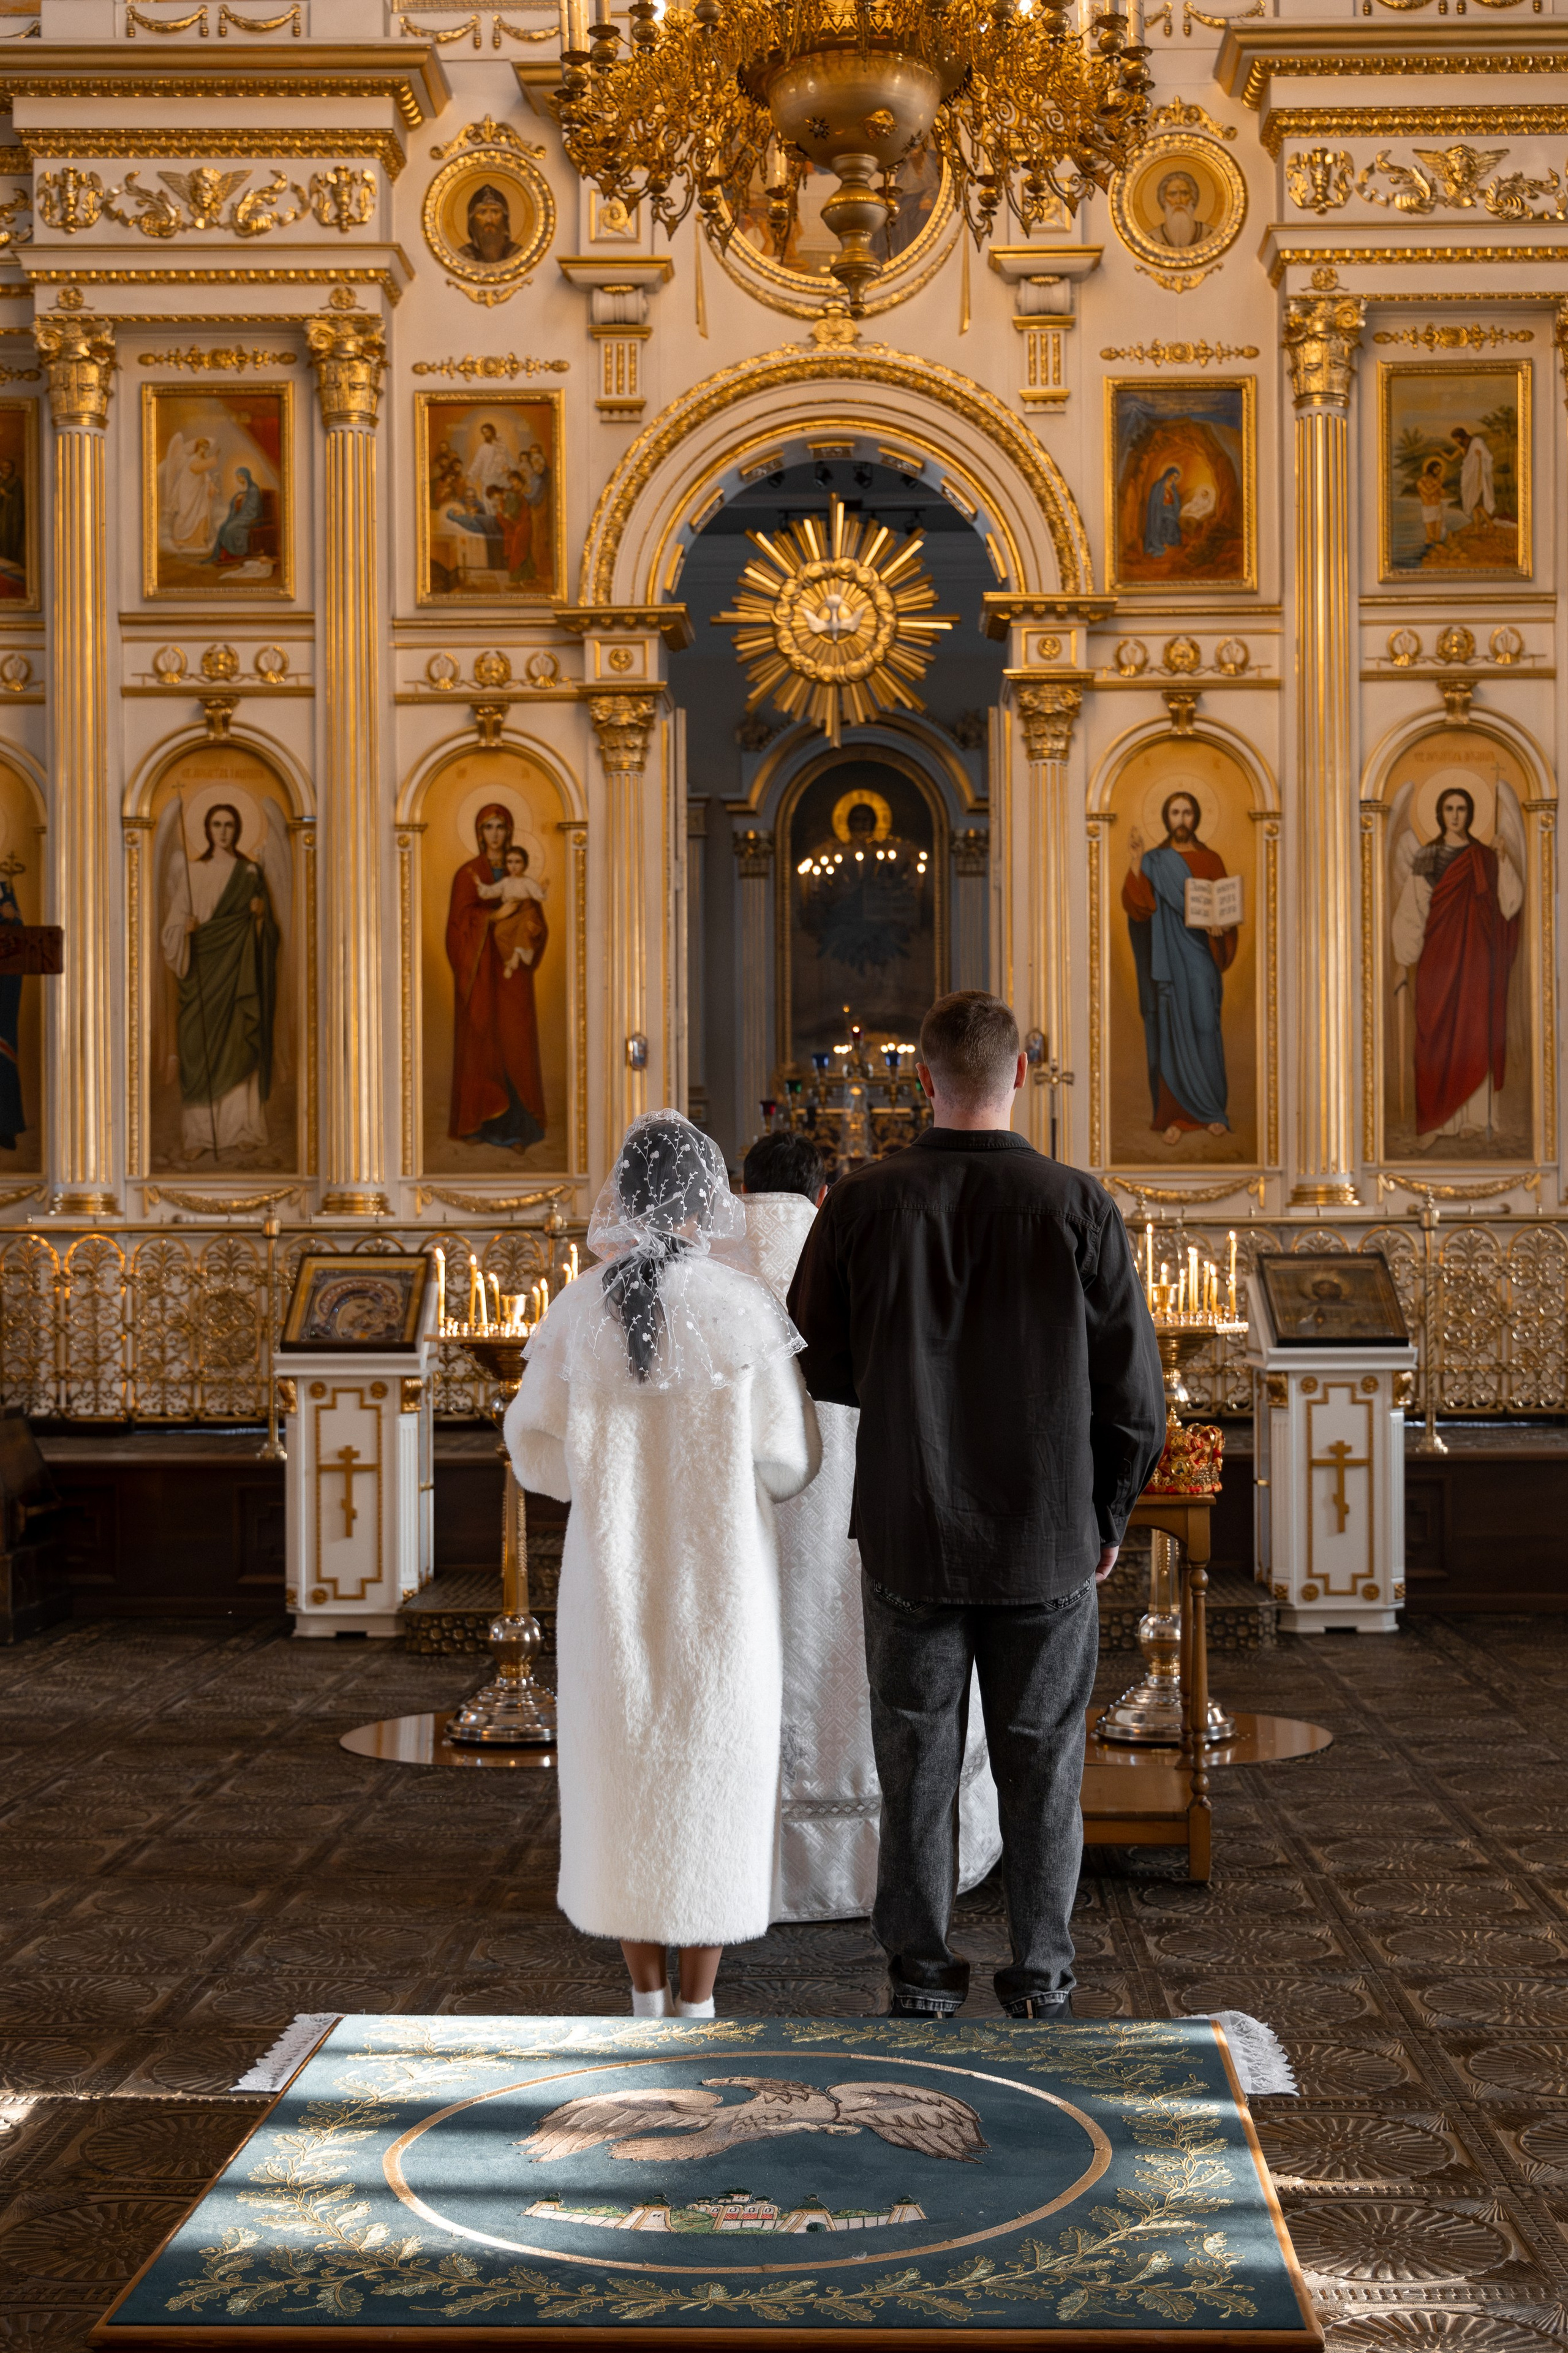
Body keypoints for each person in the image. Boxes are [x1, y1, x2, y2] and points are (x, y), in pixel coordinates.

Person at [788, 991, 1165, 2020]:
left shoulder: (864, 1200)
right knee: (1042, 1766)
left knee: (914, 1760)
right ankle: (1041, 1975)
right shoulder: (1077, 1203)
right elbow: (1137, 1395)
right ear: (1024, 1075)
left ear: (922, 1078)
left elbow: (813, 1352)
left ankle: (921, 1974)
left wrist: (908, 1390)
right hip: (1048, 1536)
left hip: (913, 1528)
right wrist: (1109, 1516)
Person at [504, 1112, 821, 2017]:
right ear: (703, 1200)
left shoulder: (578, 1307)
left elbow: (538, 1457)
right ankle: (702, 2004)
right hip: (723, 1595)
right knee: (714, 1778)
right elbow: (789, 1462)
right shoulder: (742, 1309)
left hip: (611, 1592)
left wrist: (607, 1473)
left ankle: (645, 1999)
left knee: (624, 1780)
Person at [740, 1130, 1001, 1924]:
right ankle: (876, 1859)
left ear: (741, 1191)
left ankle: (739, 1862)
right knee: (851, 1662)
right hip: (856, 1501)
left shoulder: (715, 1268)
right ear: (820, 1193)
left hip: (743, 1519)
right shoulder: (857, 1246)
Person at [1392, 776, 1521, 1142]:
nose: (1455, 815)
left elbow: (1510, 903)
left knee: (1474, 1031)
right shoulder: (1426, 856)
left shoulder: (1484, 855)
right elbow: (1413, 908)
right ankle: (1436, 1121)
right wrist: (1404, 958)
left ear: (1471, 813)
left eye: (1462, 809)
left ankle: (1475, 1120)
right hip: (1438, 956)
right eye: (1449, 808)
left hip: (1478, 957)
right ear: (1438, 812)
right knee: (1435, 1031)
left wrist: (1501, 858)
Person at [159, 802, 280, 1163]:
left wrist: (259, 920)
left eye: (229, 825)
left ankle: (243, 1129)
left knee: (240, 1046)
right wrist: (187, 931)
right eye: (216, 825)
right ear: (208, 830)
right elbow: (171, 930)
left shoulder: (249, 873)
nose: (223, 831)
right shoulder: (194, 874)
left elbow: (271, 933)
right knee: (197, 1048)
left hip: (239, 974)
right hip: (200, 975)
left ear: (238, 829)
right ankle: (198, 1134)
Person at [1122, 788, 1237, 1142]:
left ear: (1197, 817)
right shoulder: (1155, 862)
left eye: (1188, 813)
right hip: (1168, 961)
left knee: (1205, 1027)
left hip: (1200, 958)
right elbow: (1139, 907)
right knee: (1172, 1035)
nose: (1182, 820)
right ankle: (1174, 1117)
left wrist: (1222, 925)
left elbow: (1224, 907)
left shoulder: (1211, 860)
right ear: (1167, 818)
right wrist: (1136, 862)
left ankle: (1212, 1110)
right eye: (1175, 813)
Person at [445, 803, 548, 1150]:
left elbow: (537, 921)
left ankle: (524, 1127)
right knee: (482, 1039)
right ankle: (478, 1123)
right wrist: (488, 920)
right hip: (479, 975)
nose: (495, 834)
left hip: (511, 976)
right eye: (488, 826)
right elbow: (457, 928)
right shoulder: (468, 874)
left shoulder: (520, 873)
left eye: (500, 827)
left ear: (509, 831)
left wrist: (523, 924)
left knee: (514, 1040)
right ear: (479, 833)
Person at [475, 843, 548, 979]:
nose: (513, 866)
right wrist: (481, 886)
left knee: (524, 930)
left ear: (525, 864)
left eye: (517, 862)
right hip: (511, 912)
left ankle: (516, 957)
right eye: (510, 862)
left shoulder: (528, 882)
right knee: (500, 932)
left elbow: (537, 895)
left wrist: (542, 891)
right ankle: (509, 960)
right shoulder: (506, 882)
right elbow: (492, 891)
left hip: (527, 911)